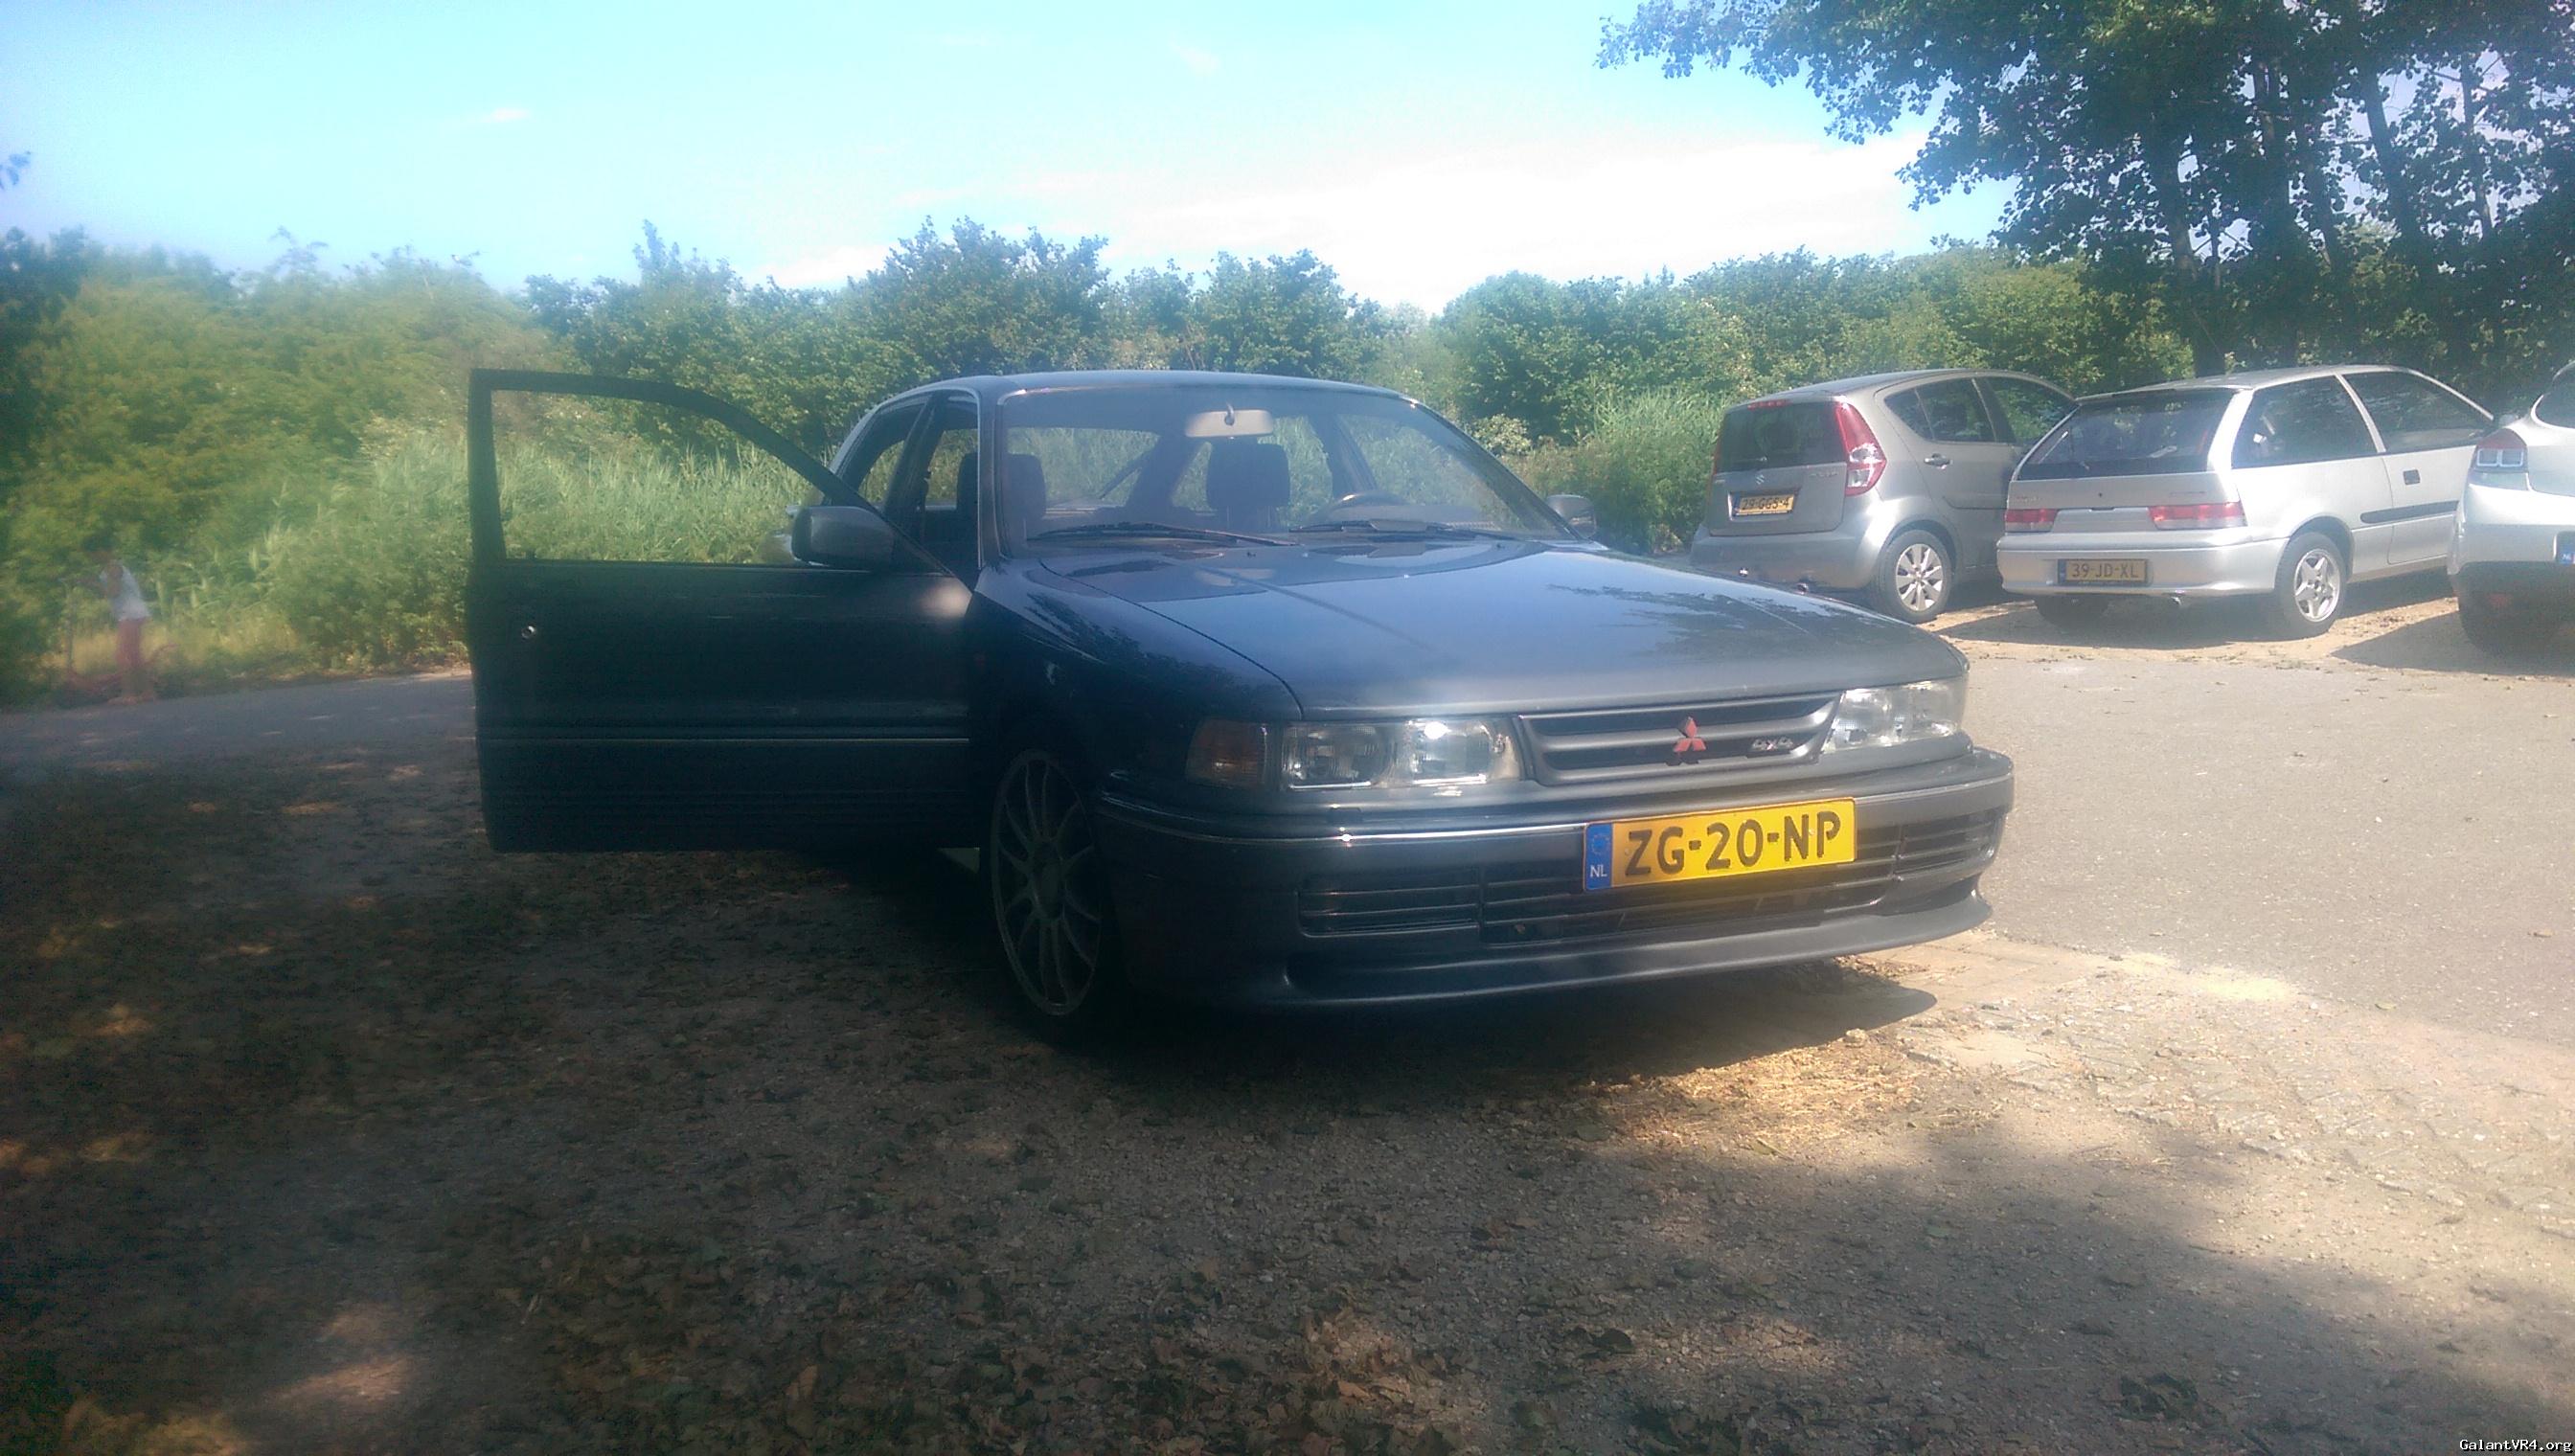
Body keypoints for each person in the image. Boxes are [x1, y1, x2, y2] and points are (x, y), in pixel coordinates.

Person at [75, 534, 155, 704]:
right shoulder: (110, 568)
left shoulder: (112, 567)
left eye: (92, 554)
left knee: (122, 655)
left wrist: (93, 585)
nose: (91, 558)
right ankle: (147, 692)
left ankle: (128, 694)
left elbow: (113, 592)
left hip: (129, 613)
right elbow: (112, 590)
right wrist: (92, 583)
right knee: (134, 655)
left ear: (101, 551)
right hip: (133, 612)